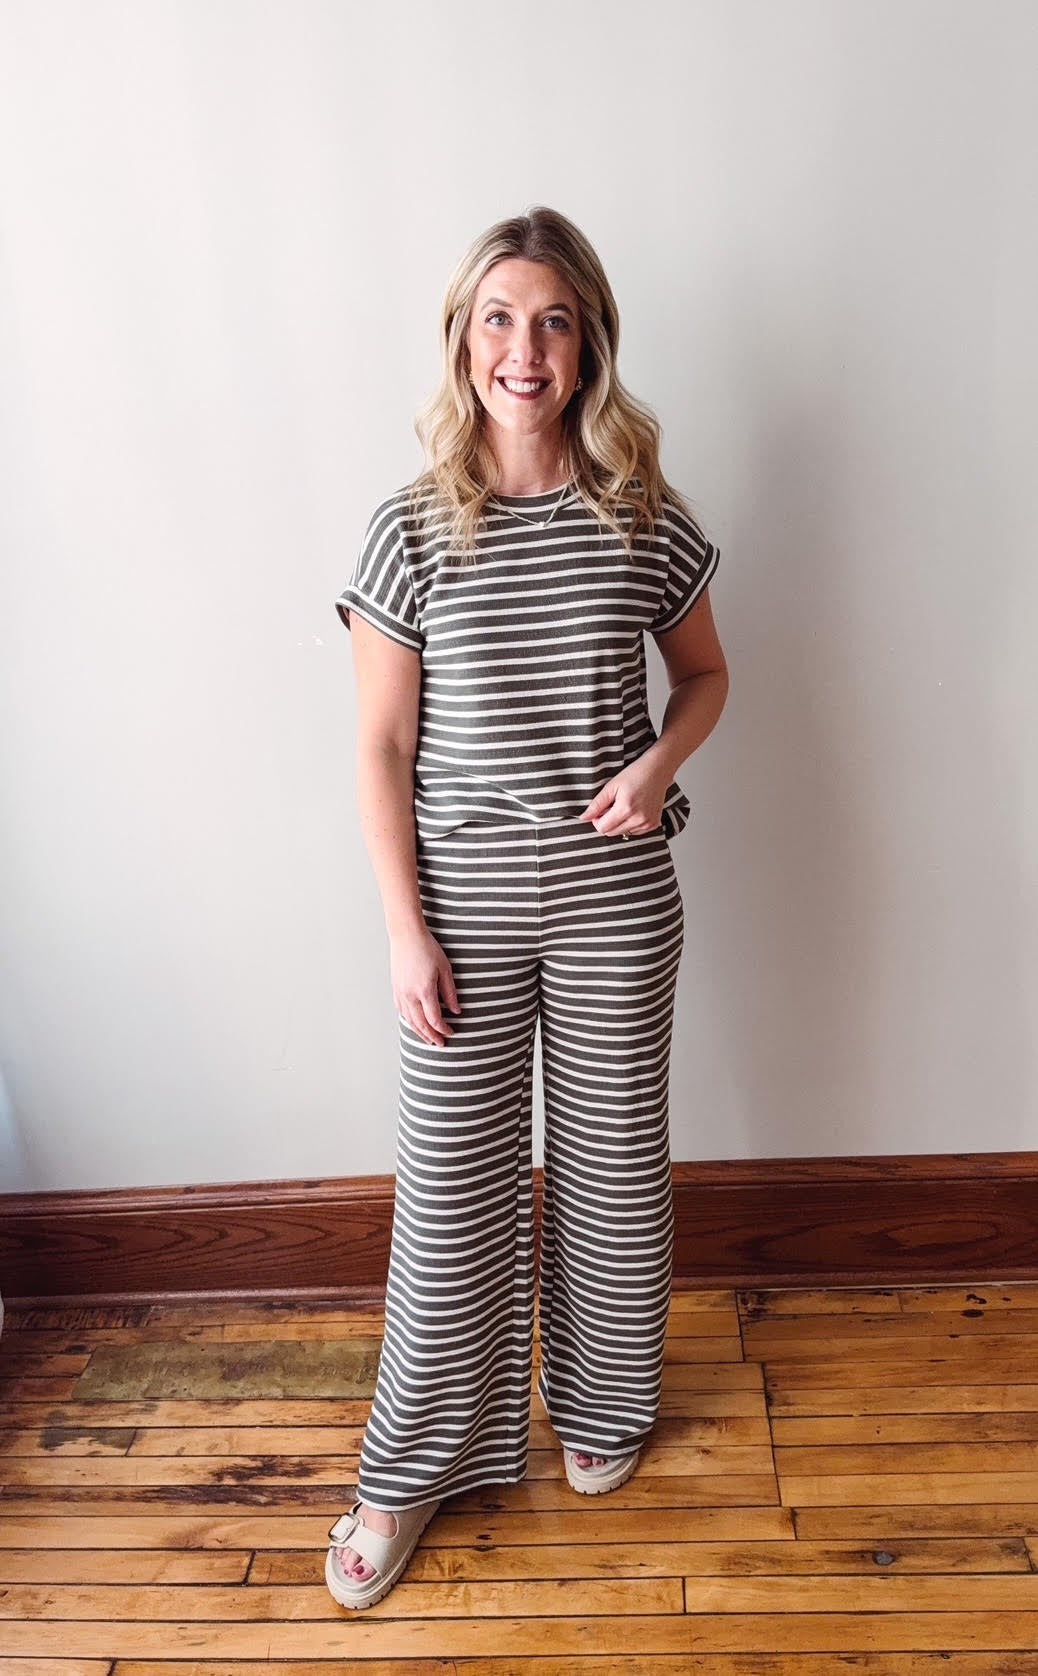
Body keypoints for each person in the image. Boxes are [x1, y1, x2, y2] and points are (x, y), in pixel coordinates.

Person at [324, 205, 729, 1611]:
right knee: (451, 1190)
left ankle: (606, 1408)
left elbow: (706, 677)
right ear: (462, 341)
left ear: (589, 343)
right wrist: (404, 929)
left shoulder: (641, 511)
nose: (524, 348)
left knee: (615, 1168)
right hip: (461, 911)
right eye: (498, 318)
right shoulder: (407, 530)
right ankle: (411, 1469)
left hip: (617, 901)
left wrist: (657, 765)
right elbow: (379, 748)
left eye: (553, 320)